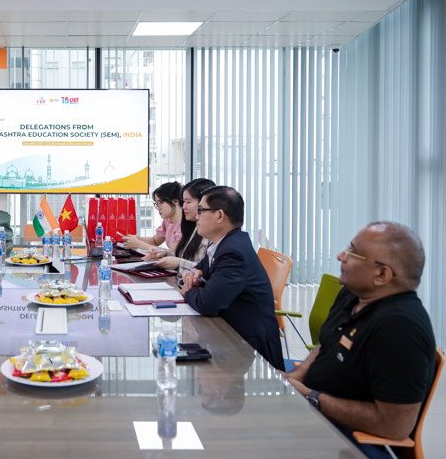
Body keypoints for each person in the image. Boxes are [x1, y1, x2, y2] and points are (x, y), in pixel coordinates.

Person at [284, 222, 436, 459]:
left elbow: (395, 426)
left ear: (382, 275)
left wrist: (311, 397)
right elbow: (327, 343)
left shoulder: (400, 327)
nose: (340, 256)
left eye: (352, 252)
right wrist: (296, 375)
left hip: (352, 440)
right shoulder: (353, 295)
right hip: (317, 411)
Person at [179, 186, 284, 370]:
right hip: (233, 337)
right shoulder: (225, 243)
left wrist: (188, 291)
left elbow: (207, 303)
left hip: (252, 352)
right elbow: (203, 267)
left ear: (219, 215)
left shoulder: (233, 252)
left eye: (201, 210)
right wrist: (193, 273)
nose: (197, 216)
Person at [148, 178, 216, 270]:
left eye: (188, 202)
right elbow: (185, 256)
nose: (184, 206)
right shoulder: (192, 226)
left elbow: (207, 269)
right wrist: (165, 254)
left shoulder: (212, 233)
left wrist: (179, 263)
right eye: (184, 202)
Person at [121, 181, 184, 251]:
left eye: (161, 202)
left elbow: (172, 252)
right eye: (156, 203)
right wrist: (137, 239)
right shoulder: (168, 220)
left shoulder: (185, 224)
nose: (158, 208)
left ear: (175, 201)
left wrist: (139, 244)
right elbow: (154, 241)